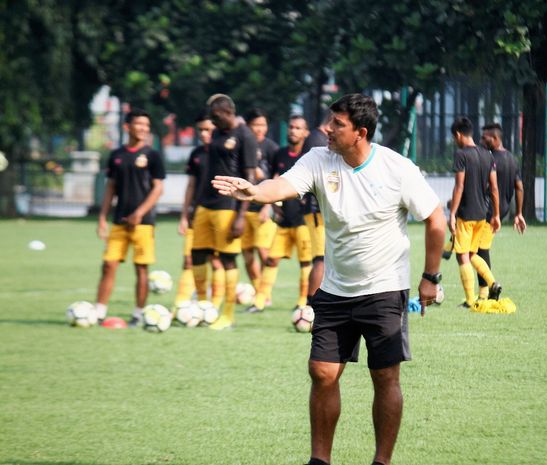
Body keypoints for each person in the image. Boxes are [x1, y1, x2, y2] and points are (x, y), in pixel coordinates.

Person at [212, 94, 445, 465]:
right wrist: (255, 192)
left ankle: (381, 461)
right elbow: (284, 184)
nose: (327, 129)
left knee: (385, 377)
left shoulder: (396, 168)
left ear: (360, 132)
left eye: (337, 124)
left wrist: (430, 277)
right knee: (321, 373)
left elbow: (436, 219)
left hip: (385, 290)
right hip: (335, 291)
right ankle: (319, 461)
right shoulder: (319, 159)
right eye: (329, 121)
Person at [190, 94, 258, 330]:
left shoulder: (245, 135)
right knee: (197, 254)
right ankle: (202, 308)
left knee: (227, 259)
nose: (213, 122)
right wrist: (194, 205)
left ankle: (228, 314)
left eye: (216, 117)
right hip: (204, 204)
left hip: (227, 207)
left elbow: (250, 177)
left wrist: (241, 216)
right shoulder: (217, 133)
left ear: (228, 112)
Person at [94, 108, 165, 326]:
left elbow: (158, 188)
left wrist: (140, 213)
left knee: (141, 268)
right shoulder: (117, 155)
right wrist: (103, 217)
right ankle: (99, 311)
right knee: (108, 265)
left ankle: (138, 313)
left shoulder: (153, 155)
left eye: (146, 125)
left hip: (143, 224)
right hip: (119, 221)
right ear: (127, 127)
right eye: (139, 124)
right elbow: (110, 188)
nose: (143, 128)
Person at [247, 115, 312, 313]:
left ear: (305, 133)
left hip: (303, 221)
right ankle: (260, 301)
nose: (293, 131)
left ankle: (302, 302)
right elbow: (274, 180)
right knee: (271, 259)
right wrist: (272, 205)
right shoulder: (280, 154)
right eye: (291, 127)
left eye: (298, 128)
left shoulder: (310, 157)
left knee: (306, 262)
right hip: (283, 220)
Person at [448, 116, 501, 308]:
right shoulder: (488, 154)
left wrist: (452, 214)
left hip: (466, 213)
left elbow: (459, 186)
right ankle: (493, 283)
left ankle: (470, 301)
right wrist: (495, 215)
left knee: (462, 256)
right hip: (482, 213)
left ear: (459, 134)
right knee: (471, 254)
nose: (455, 141)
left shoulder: (461, 155)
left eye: (455, 137)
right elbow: (494, 188)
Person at [174, 113, 224, 306]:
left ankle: (215, 305)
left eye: (208, 130)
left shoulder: (223, 152)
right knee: (189, 259)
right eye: (201, 130)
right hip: (198, 214)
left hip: (220, 213)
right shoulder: (196, 154)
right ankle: (183, 303)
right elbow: (191, 186)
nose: (204, 134)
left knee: (217, 260)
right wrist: (184, 215)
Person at [475, 122, 526, 299]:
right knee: (480, 249)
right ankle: (485, 293)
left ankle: (488, 290)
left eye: (485, 137)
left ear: (495, 138)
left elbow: (487, 186)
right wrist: (518, 213)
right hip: (501, 209)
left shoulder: (489, 159)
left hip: (489, 209)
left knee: (477, 251)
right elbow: (519, 187)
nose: (481, 140)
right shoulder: (512, 158)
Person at [242, 108, 279, 295]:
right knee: (247, 255)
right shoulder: (242, 145)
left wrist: (267, 206)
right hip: (243, 209)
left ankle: (265, 295)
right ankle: (258, 293)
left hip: (263, 209)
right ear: (248, 126)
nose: (259, 129)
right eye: (255, 125)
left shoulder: (271, 148)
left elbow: (276, 178)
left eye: (262, 125)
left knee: (263, 252)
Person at [301, 114, 331, 303]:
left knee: (323, 259)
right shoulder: (317, 140)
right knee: (320, 259)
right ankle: (311, 306)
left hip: (318, 209)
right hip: (316, 210)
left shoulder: (317, 138)